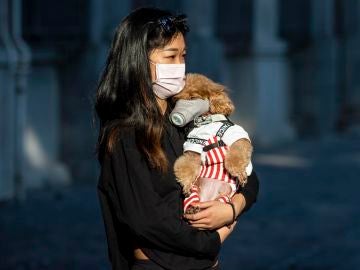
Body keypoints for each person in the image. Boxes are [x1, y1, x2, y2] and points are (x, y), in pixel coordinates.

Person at [94, 7, 259, 270]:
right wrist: (211, 240)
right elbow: (146, 220)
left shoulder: (190, 118)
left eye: (183, 56)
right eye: (170, 56)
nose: (179, 66)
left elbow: (247, 175)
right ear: (137, 61)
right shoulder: (124, 134)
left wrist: (231, 210)